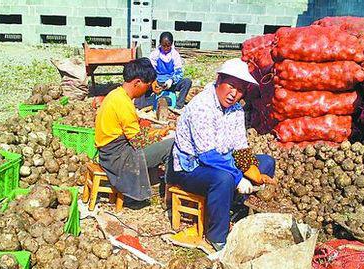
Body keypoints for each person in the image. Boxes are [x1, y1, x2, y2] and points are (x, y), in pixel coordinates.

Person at [167, 58, 276, 251]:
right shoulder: (202, 106)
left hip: (222, 162)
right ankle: (217, 236)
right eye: (231, 86)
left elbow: (240, 147)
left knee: (266, 163)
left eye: (241, 89)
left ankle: (235, 210)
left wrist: (251, 171)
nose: (234, 94)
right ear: (219, 80)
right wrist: (239, 178)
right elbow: (207, 156)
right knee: (224, 179)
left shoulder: (235, 110)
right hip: (191, 168)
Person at [95, 58, 173, 204]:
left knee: (160, 139)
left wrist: (157, 132)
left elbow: (133, 133)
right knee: (171, 146)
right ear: (137, 82)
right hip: (118, 159)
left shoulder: (115, 94)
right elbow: (138, 142)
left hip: (107, 154)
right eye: (147, 85)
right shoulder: (123, 103)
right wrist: (159, 135)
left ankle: (154, 180)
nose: (148, 89)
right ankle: (169, 197)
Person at [136, 32, 192, 110]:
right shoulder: (155, 54)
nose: (165, 48)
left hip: (170, 84)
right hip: (157, 82)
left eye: (168, 46)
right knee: (142, 81)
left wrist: (171, 80)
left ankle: (178, 106)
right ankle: (141, 104)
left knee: (187, 82)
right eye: (163, 46)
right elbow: (150, 71)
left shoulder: (175, 55)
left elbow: (179, 72)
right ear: (160, 44)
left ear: (171, 44)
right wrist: (153, 82)